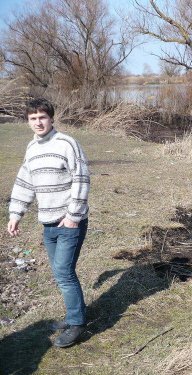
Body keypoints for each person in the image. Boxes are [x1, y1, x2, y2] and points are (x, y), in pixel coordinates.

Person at [7, 98, 90, 348]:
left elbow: (82, 178)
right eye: (33, 118)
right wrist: (15, 213)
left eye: (42, 117)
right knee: (60, 273)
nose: (38, 122)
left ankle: (76, 324)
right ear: (28, 122)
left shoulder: (66, 143)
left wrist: (73, 216)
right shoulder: (32, 149)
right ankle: (75, 314)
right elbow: (25, 182)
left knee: (64, 273)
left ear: (51, 118)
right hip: (48, 224)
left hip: (68, 222)